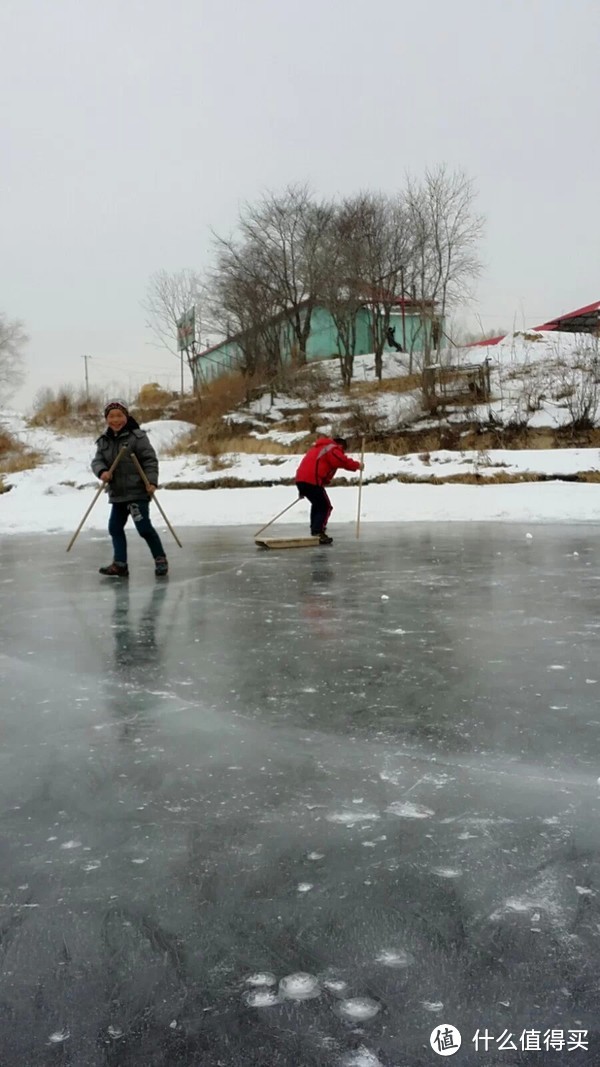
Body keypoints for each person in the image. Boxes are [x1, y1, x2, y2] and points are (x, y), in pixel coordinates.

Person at [91, 399, 168, 578]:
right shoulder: (104, 441)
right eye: (111, 416)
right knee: (115, 528)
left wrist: (152, 482)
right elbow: (97, 461)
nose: (115, 420)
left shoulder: (137, 437)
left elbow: (149, 460)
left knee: (143, 528)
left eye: (119, 415)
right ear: (106, 418)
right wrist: (102, 472)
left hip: (137, 492)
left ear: (126, 416)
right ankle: (120, 564)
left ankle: (160, 558)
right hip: (118, 493)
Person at [295, 436, 363, 544]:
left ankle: (316, 529)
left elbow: (311, 466)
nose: (343, 452)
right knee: (325, 506)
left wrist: (302, 488)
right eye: (343, 450)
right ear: (341, 445)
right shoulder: (332, 448)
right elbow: (341, 461)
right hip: (312, 480)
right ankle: (318, 531)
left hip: (302, 480)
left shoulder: (317, 448)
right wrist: (357, 465)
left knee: (318, 504)